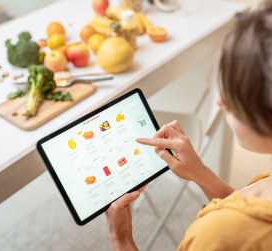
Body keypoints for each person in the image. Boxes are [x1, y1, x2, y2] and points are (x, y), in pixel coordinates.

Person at [105, 2, 272, 251]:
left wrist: (121, 237)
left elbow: (239, 226)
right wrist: (200, 172)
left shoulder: (216, 234)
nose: (220, 100)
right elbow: (244, 209)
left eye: (234, 90)